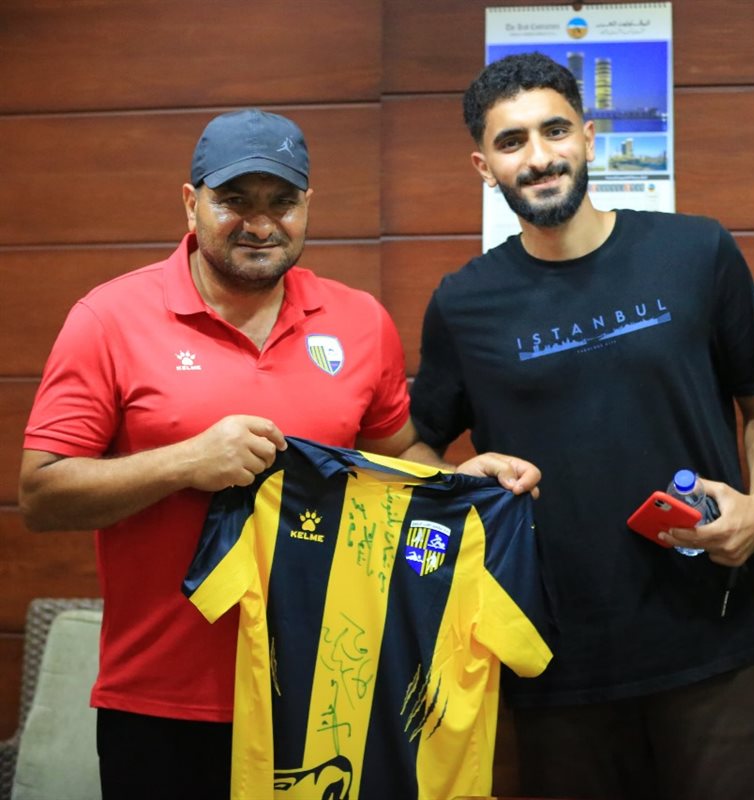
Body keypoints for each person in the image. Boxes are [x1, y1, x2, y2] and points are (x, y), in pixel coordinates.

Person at [18, 108, 539, 799]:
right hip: (163, 704)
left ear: (308, 205)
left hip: (328, 702)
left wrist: (459, 482)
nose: (260, 224)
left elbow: (399, 453)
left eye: (282, 202)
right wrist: (185, 462)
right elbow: (41, 494)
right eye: (235, 200)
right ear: (191, 202)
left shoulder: (359, 321)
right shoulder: (108, 319)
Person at [410, 52, 754, 799]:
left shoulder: (696, 251)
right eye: (512, 141)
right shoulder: (463, 303)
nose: (539, 156)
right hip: (553, 658)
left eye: (554, 130)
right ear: (484, 166)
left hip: (710, 637)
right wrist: (458, 478)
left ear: (588, 137)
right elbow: (412, 445)